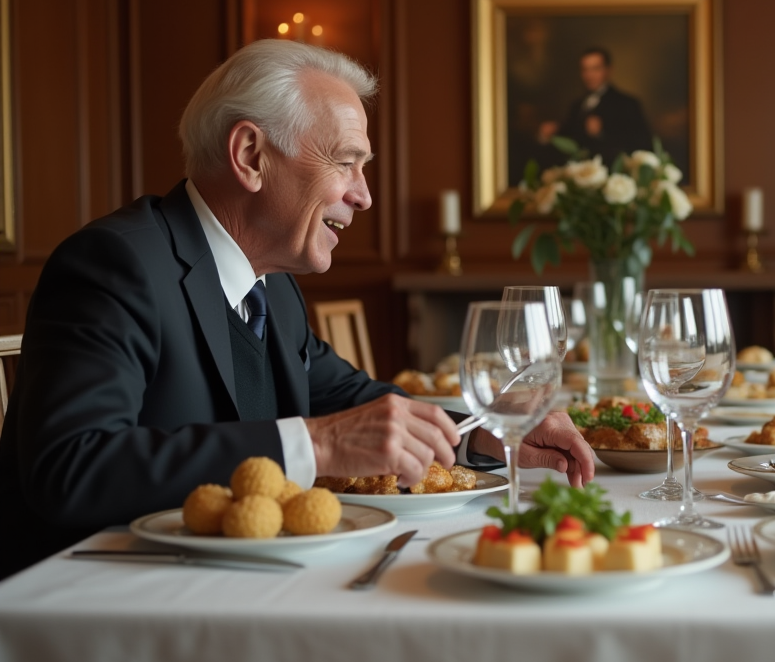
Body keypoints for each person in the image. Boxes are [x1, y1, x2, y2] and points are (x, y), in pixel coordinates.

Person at [0, 40, 593, 579]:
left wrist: (485, 429)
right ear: (250, 155)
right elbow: (70, 467)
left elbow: (350, 401)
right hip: (101, 599)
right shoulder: (115, 263)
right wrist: (319, 446)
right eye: (345, 162)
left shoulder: (273, 286)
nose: (364, 194)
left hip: (236, 578)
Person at [538, 47, 654, 165]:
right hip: (579, 170)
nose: (590, 75)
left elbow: (642, 144)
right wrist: (551, 134)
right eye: (585, 70)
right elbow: (570, 142)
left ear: (608, 70)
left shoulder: (627, 104)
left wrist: (602, 133)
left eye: (595, 69)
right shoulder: (576, 105)